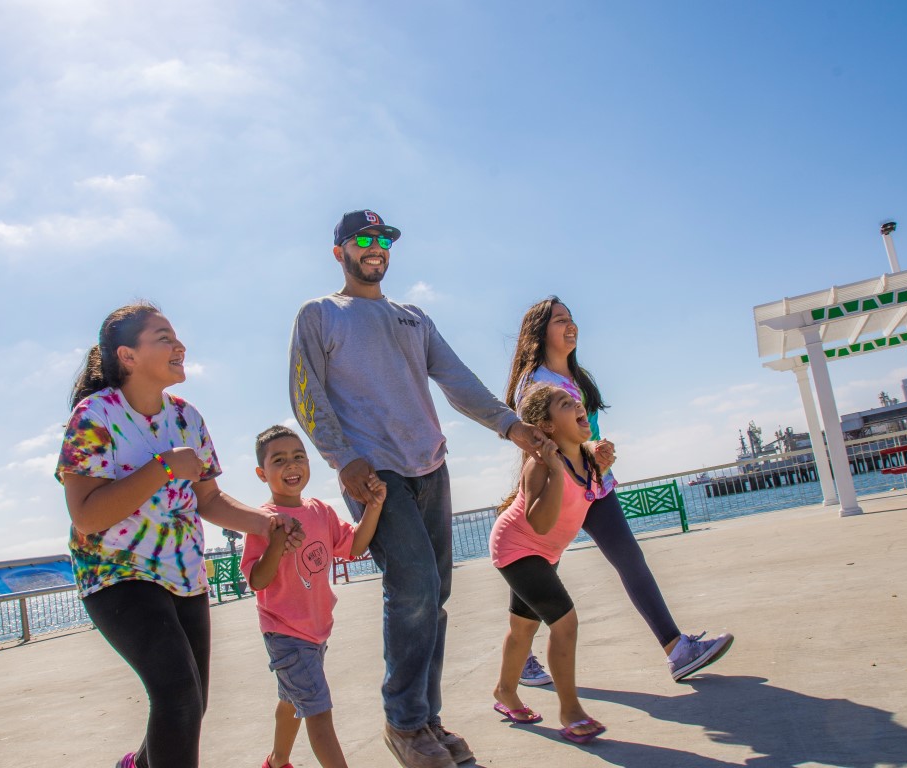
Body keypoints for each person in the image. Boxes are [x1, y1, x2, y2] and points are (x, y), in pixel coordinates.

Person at [288, 209, 547, 768]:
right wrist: (344, 458)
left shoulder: (413, 318)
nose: (376, 247)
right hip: (374, 474)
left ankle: (427, 720)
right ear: (340, 251)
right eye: (364, 239)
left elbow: (457, 380)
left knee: (436, 597)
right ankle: (403, 724)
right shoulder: (320, 313)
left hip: (430, 466)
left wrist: (512, 426)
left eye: (384, 240)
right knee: (414, 590)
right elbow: (306, 394)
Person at [56, 303, 303, 768]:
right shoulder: (95, 416)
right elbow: (86, 516)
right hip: (116, 574)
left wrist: (266, 523)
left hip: (185, 575)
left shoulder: (187, 417)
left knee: (190, 704)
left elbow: (209, 500)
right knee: (179, 697)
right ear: (127, 356)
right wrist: (163, 467)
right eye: (164, 337)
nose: (179, 345)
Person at [505, 296, 733, 685]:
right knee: (540, 575)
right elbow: (541, 440)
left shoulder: (577, 378)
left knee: (630, 559)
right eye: (560, 320)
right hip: (559, 488)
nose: (571, 325)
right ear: (540, 332)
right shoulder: (535, 384)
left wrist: (596, 450)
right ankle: (520, 659)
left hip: (595, 487)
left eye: (572, 319)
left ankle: (676, 649)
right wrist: (588, 448)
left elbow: (581, 432)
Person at [243, 425, 387, 768]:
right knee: (318, 713)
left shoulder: (320, 510)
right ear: (262, 474)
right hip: (285, 632)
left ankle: (277, 761)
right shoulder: (261, 521)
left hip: (317, 628)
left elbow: (354, 546)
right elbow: (257, 581)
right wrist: (277, 542)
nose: (291, 466)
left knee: (291, 700)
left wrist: (374, 507)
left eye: (298, 457)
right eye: (279, 460)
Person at [490, 383, 608, 745]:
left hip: (546, 553)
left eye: (575, 401)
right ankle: (571, 711)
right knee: (565, 623)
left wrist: (603, 456)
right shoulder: (539, 466)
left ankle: (505, 692)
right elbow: (539, 523)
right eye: (564, 404)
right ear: (548, 426)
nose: (576, 406)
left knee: (524, 629)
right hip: (517, 547)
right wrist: (556, 471)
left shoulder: (588, 458)